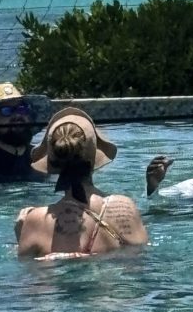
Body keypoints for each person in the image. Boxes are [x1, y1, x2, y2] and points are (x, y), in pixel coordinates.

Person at [15, 107, 148, 259]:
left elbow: (30, 270)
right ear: (94, 155)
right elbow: (139, 261)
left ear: (52, 161)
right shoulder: (125, 207)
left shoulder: (36, 220)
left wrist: (21, 234)